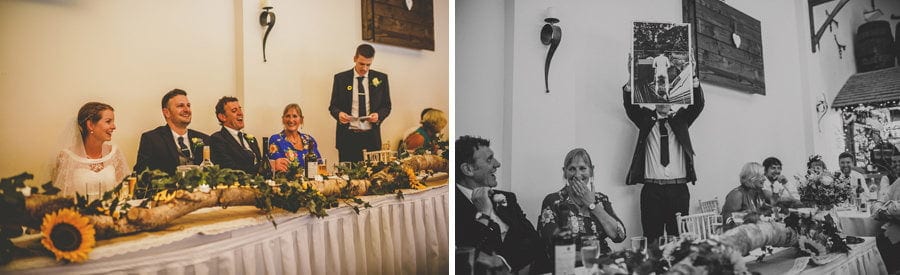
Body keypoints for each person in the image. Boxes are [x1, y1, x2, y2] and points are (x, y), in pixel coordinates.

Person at [624, 70, 703, 241]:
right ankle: (655, 267)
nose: (663, 101)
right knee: (652, 237)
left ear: (673, 99)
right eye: (659, 97)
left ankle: (677, 267)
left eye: (667, 97)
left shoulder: (682, 119)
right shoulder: (646, 119)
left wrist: (694, 81)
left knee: (679, 238)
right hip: (652, 191)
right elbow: (630, 108)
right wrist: (631, 82)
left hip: (679, 190)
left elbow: (697, 105)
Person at [455, 136, 547, 274]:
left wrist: (504, 262)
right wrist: (484, 213)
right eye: (489, 159)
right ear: (468, 169)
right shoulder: (451, 206)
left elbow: (535, 242)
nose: (497, 164)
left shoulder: (508, 198)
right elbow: (467, 257)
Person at [537, 148, 626, 255]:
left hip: (602, 263)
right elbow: (552, 245)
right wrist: (591, 257)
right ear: (565, 172)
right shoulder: (554, 201)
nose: (578, 175)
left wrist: (592, 204)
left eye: (583, 168)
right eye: (572, 169)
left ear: (591, 170)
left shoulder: (601, 199)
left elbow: (620, 235)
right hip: (570, 264)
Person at [328, 43, 392, 162]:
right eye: (361, 64)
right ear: (355, 59)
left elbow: (386, 106)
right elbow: (333, 106)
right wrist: (339, 114)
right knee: (348, 177)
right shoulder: (341, 78)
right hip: (348, 137)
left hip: (371, 137)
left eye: (368, 65)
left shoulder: (381, 78)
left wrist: (378, 115)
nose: (364, 68)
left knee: (373, 176)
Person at [53, 102, 131, 196]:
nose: (114, 127)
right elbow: (62, 196)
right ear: (90, 125)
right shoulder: (67, 156)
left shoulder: (114, 153)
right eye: (108, 121)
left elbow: (123, 192)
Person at [134, 89, 211, 175]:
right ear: (167, 112)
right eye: (180, 106)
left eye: (188, 105)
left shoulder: (204, 139)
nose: (187, 110)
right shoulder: (151, 139)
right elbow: (141, 173)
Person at [209, 96, 261, 174]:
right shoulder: (217, 139)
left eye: (240, 109)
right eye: (234, 111)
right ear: (222, 117)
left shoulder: (250, 138)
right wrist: (260, 168)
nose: (240, 113)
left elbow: (259, 161)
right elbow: (229, 169)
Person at [267, 103, 321, 173]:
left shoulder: (309, 140)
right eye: (287, 116)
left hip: (311, 182)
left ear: (301, 120)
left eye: (295, 116)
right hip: (287, 182)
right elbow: (278, 168)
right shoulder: (275, 140)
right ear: (283, 119)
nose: (291, 120)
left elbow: (319, 164)